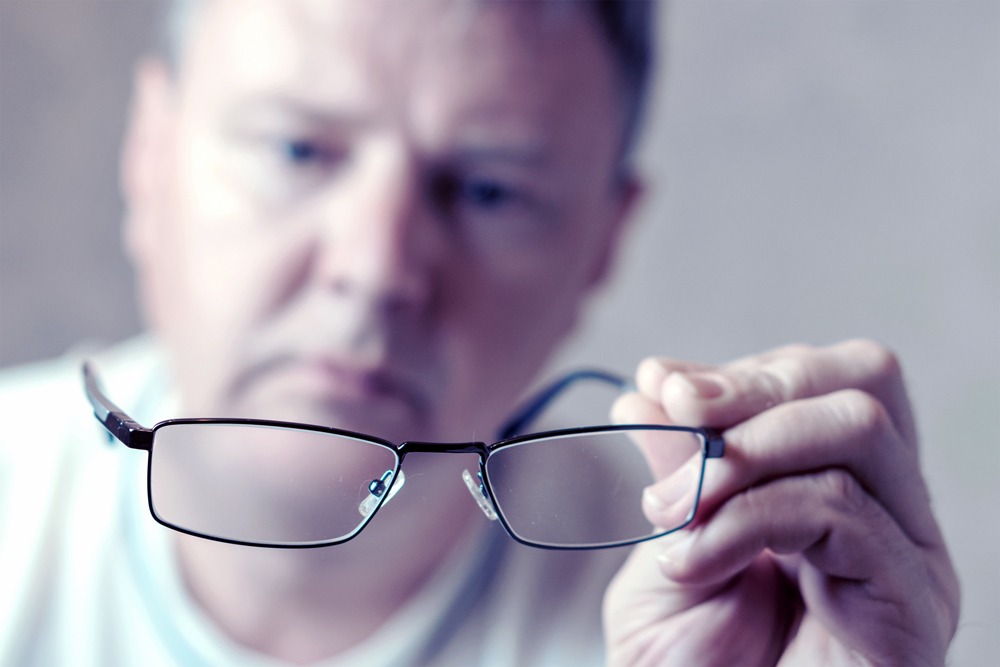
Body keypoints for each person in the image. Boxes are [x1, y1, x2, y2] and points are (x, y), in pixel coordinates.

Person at [0, 0, 960, 665]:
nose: (376, 268)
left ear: (601, 244)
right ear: (148, 156)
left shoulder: (723, 618)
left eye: (489, 190)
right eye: (296, 149)